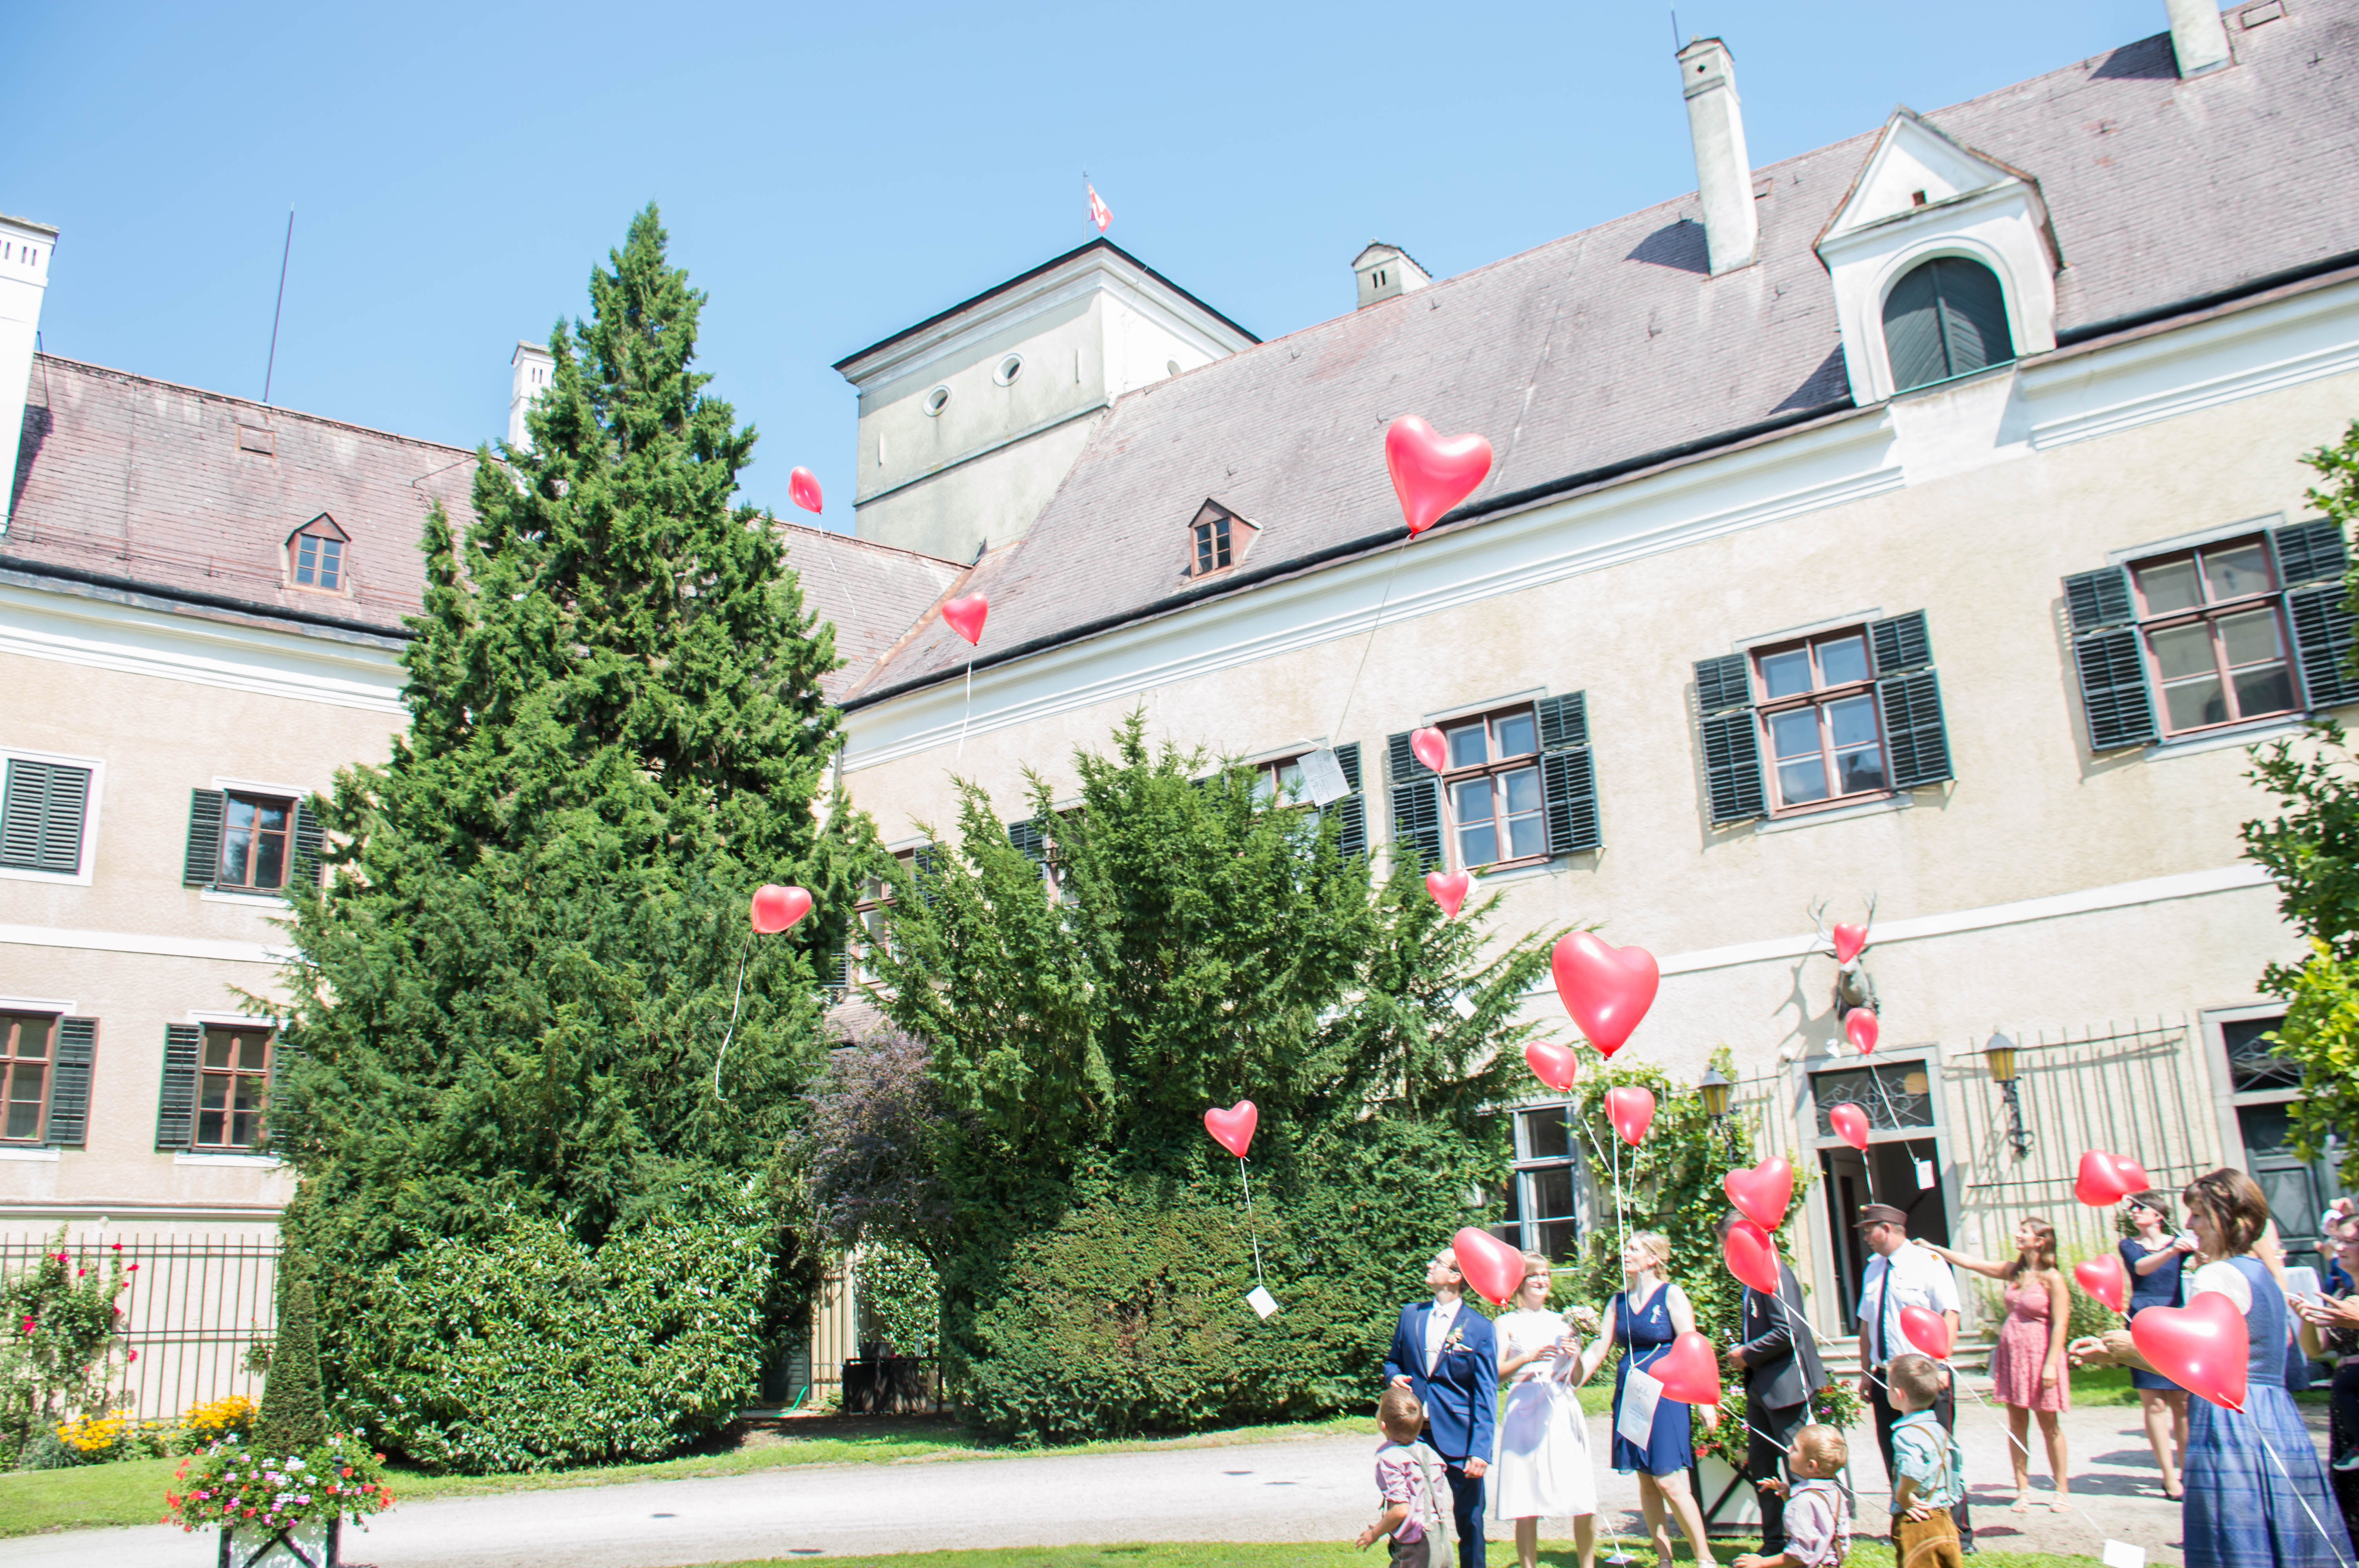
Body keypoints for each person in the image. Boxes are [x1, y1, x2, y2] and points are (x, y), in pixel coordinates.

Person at [2070, 1167, 2355, 1568]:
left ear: (2229, 1219)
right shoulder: (2260, 1274)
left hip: (2230, 1421)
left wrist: (2126, 1348)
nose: (2188, 1224)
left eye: (2199, 1215)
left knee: (2237, 1539)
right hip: (2276, 1414)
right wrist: (2123, 1351)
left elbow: (2197, 1363)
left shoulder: (2216, 1275)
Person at [1574, 1230, 1719, 1568]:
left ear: (1653, 1258)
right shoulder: (1617, 1301)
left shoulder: (1672, 1295)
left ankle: (1705, 1557)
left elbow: (1690, 1344)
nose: (1625, 1253)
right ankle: (1664, 1559)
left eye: (1634, 1249)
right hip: (1631, 1393)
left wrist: (1704, 1401)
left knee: (1668, 1478)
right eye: (1626, 1248)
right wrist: (1574, 1378)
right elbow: (1600, 1347)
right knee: (1646, 1478)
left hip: (1666, 1393)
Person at [1914, 1218, 2072, 1513]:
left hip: (2040, 1357)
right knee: (2017, 1425)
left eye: (2024, 1232)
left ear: (2040, 1241)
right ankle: (2022, 1490)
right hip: (2013, 1357)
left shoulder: (2052, 1278)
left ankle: (2061, 1490)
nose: (2017, 1235)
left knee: (2049, 1425)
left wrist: (2051, 1365)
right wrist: (1936, 1249)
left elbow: (2061, 1324)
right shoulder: (2014, 1271)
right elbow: (1973, 1263)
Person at [1850, 1203, 1975, 1552]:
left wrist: (1941, 1363)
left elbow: (1950, 1313)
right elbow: (1865, 1325)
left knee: (1940, 1452)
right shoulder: (1873, 1269)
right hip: (1885, 1376)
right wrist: (1865, 1372)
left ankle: (1959, 1532)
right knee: (1895, 1453)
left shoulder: (1928, 1263)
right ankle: (1905, 1523)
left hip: (1922, 1374)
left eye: (1869, 1229)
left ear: (1887, 1229)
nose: (1865, 1237)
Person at [1716, 1210, 1830, 1559]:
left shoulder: (1775, 1273)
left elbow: (1789, 1331)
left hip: (1787, 1388)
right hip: (1761, 1389)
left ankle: (1808, 1543)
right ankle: (1774, 1542)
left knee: (1797, 1467)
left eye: (1726, 1244)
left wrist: (1746, 1354)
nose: (1724, 1253)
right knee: (1762, 1466)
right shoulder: (1751, 1277)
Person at [1386, 1245, 1500, 1568]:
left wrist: (1480, 1450)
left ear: (1455, 1276)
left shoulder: (1479, 1328)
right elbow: (1393, 1362)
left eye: (1437, 1262)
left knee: (1471, 1519)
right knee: (1408, 1512)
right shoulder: (1411, 1315)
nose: (1429, 1265)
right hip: (1414, 1435)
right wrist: (1394, 1377)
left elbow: (1486, 1393)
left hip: (1459, 1438)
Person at [1491, 1251, 1598, 1568]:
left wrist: (1574, 1355)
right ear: (1520, 1283)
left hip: (1560, 1406)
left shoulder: (1564, 1322)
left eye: (1546, 1275)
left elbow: (1576, 1380)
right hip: (1524, 1408)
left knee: (1582, 1493)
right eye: (1534, 1275)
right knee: (1526, 1496)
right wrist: (1529, 1357)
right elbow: (1497, 1374)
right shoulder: (1506, 1322)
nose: (1541, 1281)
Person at [2121, 1189, 2192, 1499]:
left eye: (2140, 1208)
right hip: (2143, 1321)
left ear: (2158, 1216)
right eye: (2132, 1209)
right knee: (2155, 1403)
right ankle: (2168, 1476)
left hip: (2177, 1320)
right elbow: (2141, 1269)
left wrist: (2194, 1248)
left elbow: (2203, 1262)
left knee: (2182, 1403)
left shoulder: (2180, 1245)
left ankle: (2190, 1471)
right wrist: (2173, 1251)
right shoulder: (2129, 1246)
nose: (2134, 1212)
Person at [1886, 1353, 1968, 1568]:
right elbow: (1955, 1465)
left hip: (1918, 1520)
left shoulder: (1905, 1435)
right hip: (1944, 1517)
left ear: (1898, 1394)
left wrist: (1904, 1495)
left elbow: (1912, 1469)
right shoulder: (1939, 1429)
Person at [1732, 1425, 1853, 1568]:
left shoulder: (1803, 1501)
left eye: (1795, 1449)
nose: (1789, 1449)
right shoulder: (1835, 1493)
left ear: (1811, 1466)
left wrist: (1762, 1562)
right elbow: (1818, 1524)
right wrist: (1787, 1496)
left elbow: (1801, 1556)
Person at [1359, 1385, 1449, 1568]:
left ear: (1383, 1424)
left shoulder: (1391, 1459)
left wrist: (1374, 1534)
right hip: (1440, 1540)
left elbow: (1401, 1510)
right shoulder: (1431, 1454)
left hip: (1415, 1547)